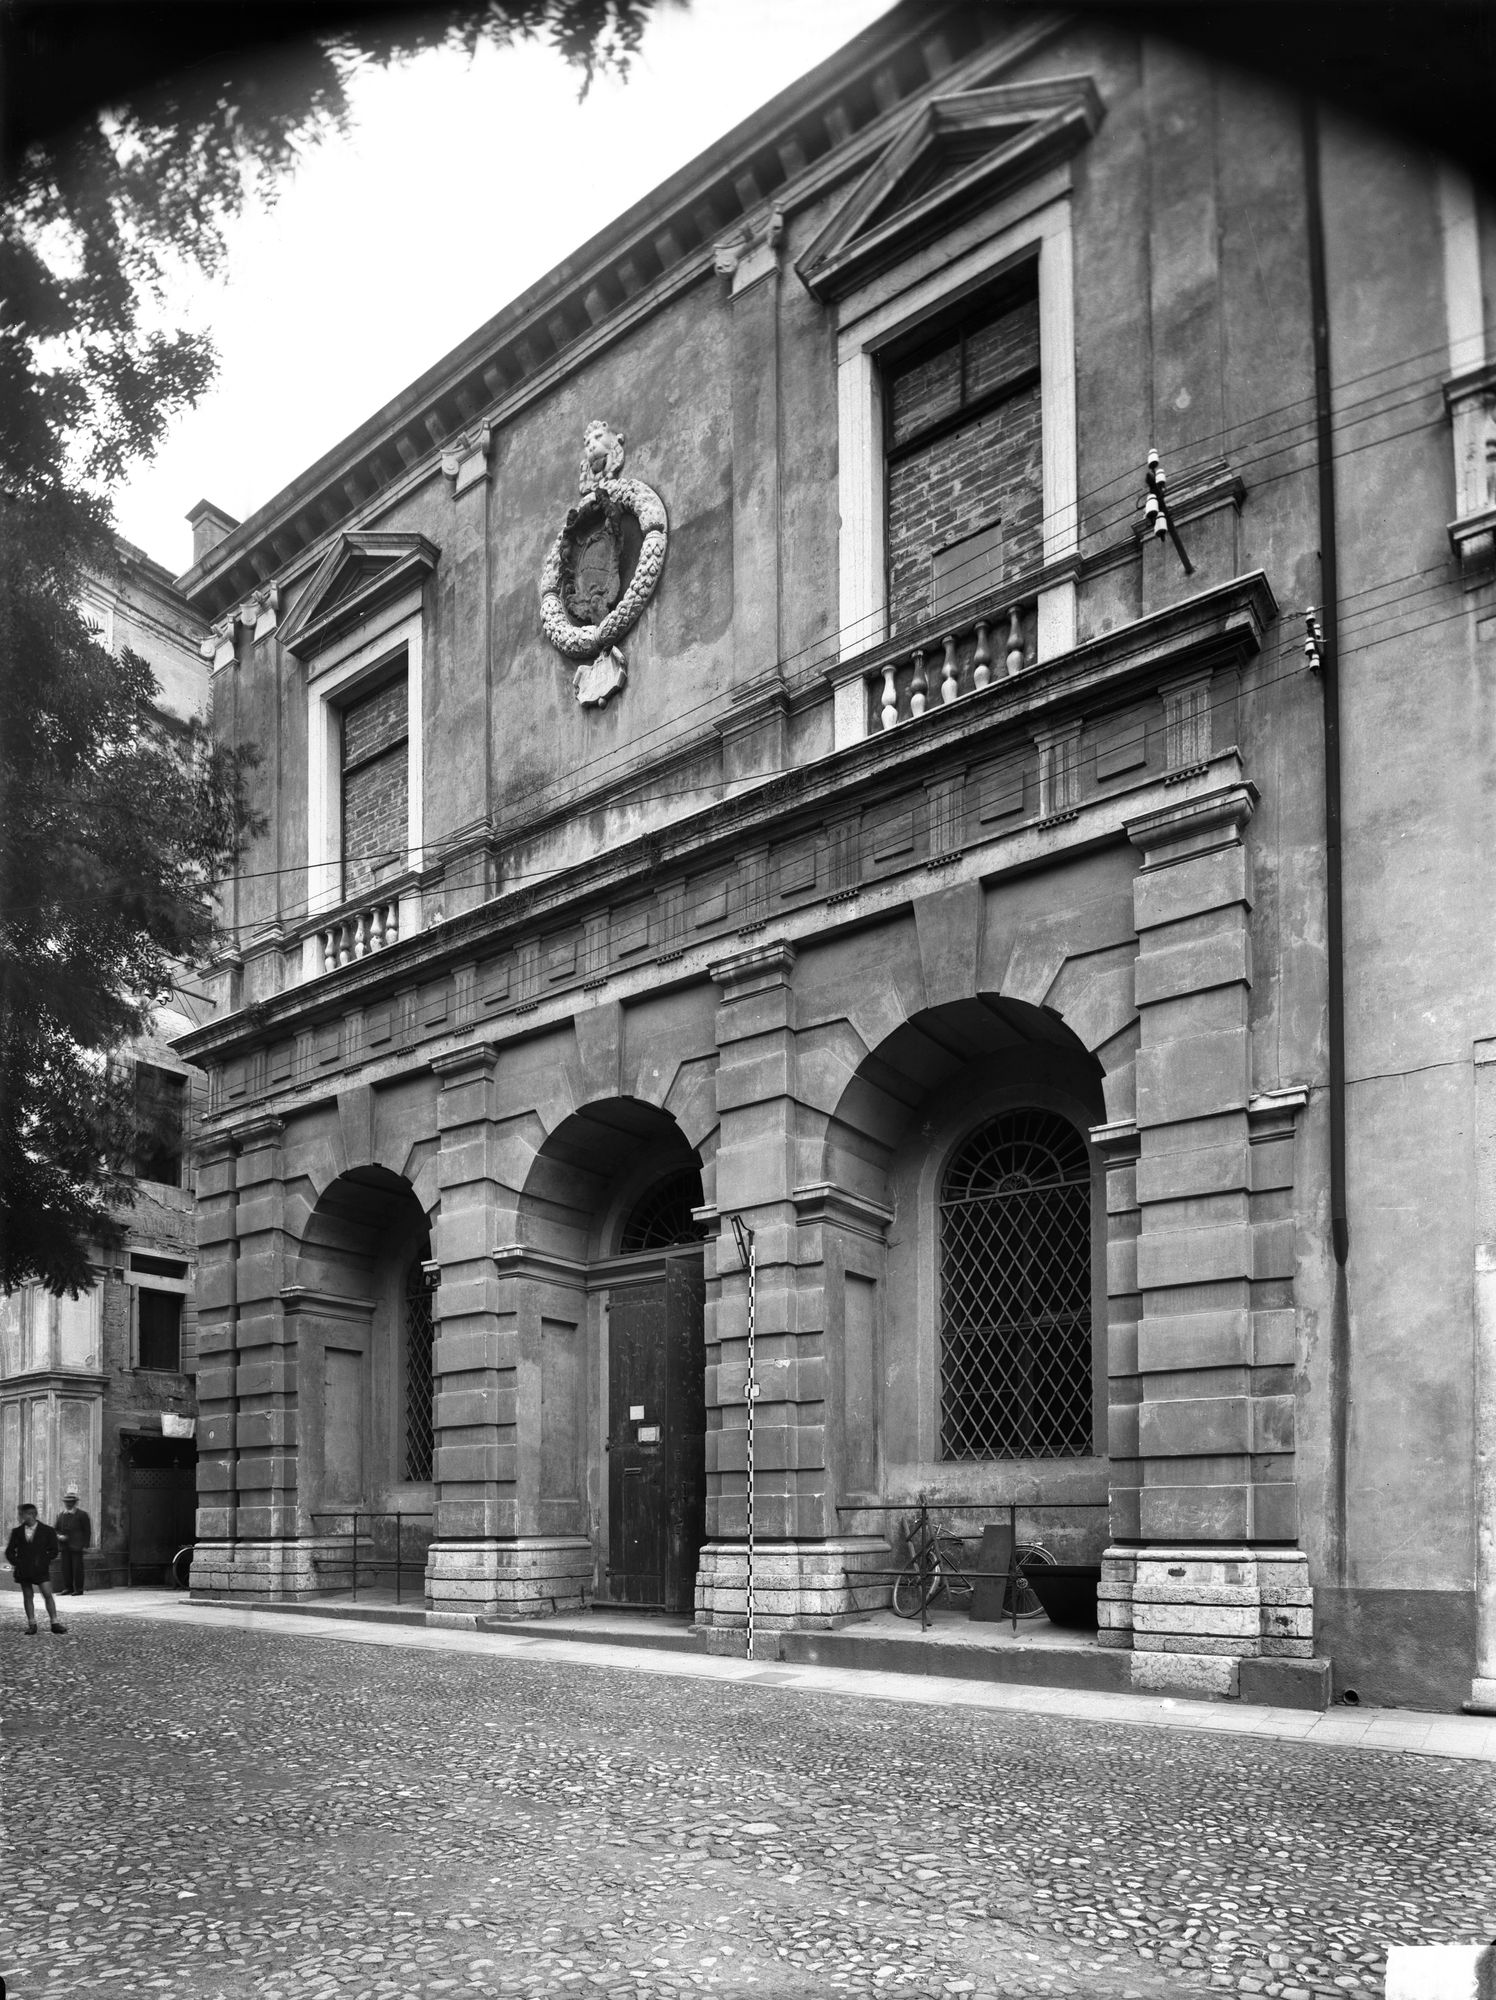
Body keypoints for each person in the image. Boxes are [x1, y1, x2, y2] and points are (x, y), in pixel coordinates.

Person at [5, 1503, 66, 1634]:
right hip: (23, 1569)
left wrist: (44, 1561)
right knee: (27, 1596)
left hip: (40, 1569)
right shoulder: (17, 1532)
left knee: (48, 1594)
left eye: (22, 1514)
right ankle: (32, 1624)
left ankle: (55, 1623)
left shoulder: (48, 1530)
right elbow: (9, 1551)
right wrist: (18, 1562)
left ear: (31, 1514)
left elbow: (54, 1550)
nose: (19, 1516)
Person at [54, 1487, 91, 1595]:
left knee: (77, 1569)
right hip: (64, 1546)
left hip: (77, 1546)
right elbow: (55, 1529)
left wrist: (85, 1545)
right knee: (65, 1568)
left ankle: (78, 1589)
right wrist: (59, 1536)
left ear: (75, 1503)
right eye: (66, 1502)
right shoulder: (61, 1515)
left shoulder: (82, 1515)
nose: (68, 1504)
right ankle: (67, 1588)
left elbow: (87, 1531)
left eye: (70, 1502)